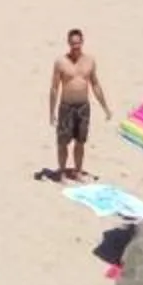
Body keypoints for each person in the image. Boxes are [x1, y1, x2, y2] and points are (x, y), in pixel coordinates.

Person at [47, 28, 110, 181]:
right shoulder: (60, 62)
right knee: (63, 142)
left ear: (82, 42)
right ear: (69, 43)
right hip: (66, 106)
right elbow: (54, 88)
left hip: (83, 107)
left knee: (80, 141)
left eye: (78, 43)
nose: (76, 46)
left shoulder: (89, 61)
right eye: (73, 43)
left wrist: (105, 107)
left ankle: (78, 171)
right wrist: (52, 112)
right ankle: (61, 172)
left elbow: (95, 84)